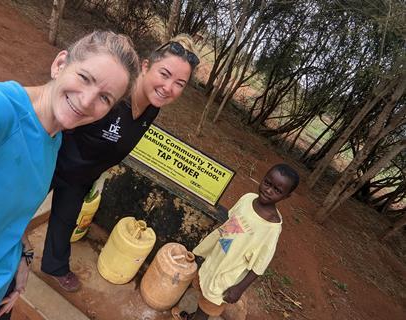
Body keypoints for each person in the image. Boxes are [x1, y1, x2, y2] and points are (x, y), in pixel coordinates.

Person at [0, 30, 139, 320]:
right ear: (60, 64)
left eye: (105, 97)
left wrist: (21, 251)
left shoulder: (54, 139)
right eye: (85, 78)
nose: (88, 100)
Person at [40, 34, 200, 292]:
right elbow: (64, 118)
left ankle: (54, 266)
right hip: (52, 163)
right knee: (14, 212)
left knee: (65, 220)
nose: (169, 87)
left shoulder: (152, 108)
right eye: (165, 74)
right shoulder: (114, 98)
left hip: (82, 177)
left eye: (179, 83)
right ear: (146, 66)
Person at [173, 163, 300, 320]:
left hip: (229, 273)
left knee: (210, 303)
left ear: (286, 196)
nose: (268, 190)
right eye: (267, 183)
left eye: (277, 190)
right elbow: (231, 223)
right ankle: (195, 316)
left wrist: (239, 288)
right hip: (217, 257)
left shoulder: (271, 228)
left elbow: (260, 265)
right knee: (203, 287)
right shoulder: (247, 199)